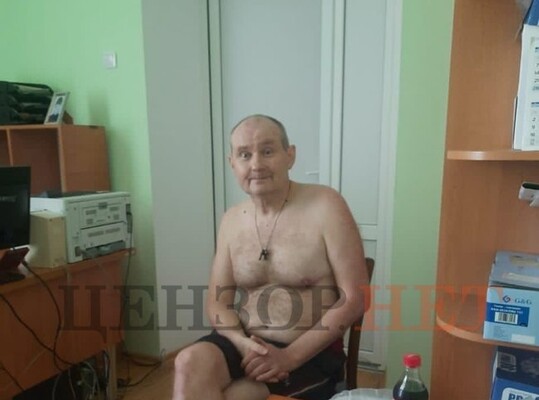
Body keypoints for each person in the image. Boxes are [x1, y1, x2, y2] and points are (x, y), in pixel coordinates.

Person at [173, 114, 369, 400]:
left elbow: (355, 298)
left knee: (235, 396)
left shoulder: (326, 206)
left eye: (267, 151)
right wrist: (241, 343)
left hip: (310, 354)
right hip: (244, 344)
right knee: (187, 362)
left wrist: (288, 357)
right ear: (232, 163)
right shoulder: (231, 220)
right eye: (244, 154)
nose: (256, 165)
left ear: (290, 155)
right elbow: (218, 302)